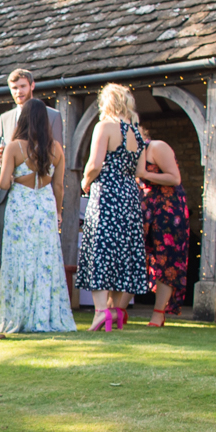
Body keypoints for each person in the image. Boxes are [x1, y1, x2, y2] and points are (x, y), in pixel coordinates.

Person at [0, 98, 75, 335]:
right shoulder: (56, 148)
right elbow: (59, 186)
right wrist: (58, 212)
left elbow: (3, 182)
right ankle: (44, 315)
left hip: (21, 206)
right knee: (45, 260)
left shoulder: (14, 147)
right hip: (45, 205)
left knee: (19, 259)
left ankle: (18, 314)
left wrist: (2, 164)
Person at [76, 84, 153, 332]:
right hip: (130, 196)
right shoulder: (138, 133)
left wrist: (85, 182)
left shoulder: (105, 126)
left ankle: (101, 312)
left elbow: (95, 164)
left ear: (106, 103)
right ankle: (118, 310)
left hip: (106, 193)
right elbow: (141, 172)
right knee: (124, 250)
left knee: (100, 247)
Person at [138, 128, 192, 328]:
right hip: (147, 209)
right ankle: (118, 309)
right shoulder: (131, 155)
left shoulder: (157, 147)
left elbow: (175, 178)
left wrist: (144, 174)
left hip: (169, 210)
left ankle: (158, 314)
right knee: (137, 257)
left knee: (165, 260)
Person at [0, 70, 36, 162]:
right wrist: (0, 160)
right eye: (14, 88)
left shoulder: (51, 115)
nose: (19, 91)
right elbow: (0, 163)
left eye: (23, 86)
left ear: (32, 86)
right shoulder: (4, 118)